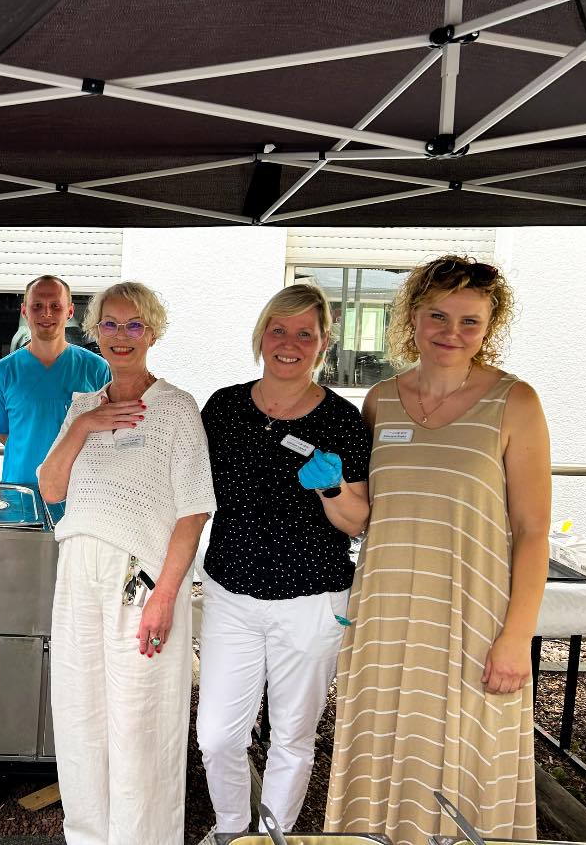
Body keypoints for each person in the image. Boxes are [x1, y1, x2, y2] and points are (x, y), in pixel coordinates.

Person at [326, 256, 551, 845]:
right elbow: (363, 512)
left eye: (470, 320)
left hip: (473, 618)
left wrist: (517, 637)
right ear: (413, 318)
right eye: (438, 316)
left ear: (490, 325)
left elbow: (533, 530)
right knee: (383, 748)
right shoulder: (380, 401)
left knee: (467, 754)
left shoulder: (516, 402)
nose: (452, 332)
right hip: (386, 616)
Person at [38, 281, 215, 845]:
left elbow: (194, 511)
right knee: (80, 714)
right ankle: (88, 835)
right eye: (110, 324)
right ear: (94, 332)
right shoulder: (83, 406)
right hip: (78, 575)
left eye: (134, 324)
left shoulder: (176, 408)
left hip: (140, 582)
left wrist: (167, 595)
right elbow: (50, 487)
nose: (121, 335)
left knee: (141, 721)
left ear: (152, 333)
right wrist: (85, 426)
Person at [195, 284, 371, 834]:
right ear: (261, 336)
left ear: (323, 344)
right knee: (217, 734)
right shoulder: (223, 407)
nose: (289, 343)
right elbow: (191, 490)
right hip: (231, 592)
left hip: (312, 599)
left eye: (304, 334)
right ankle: (230, 829)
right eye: (278, 330)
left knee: (292, 735)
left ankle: (274, 836)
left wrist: (332, 488)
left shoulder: (341, 420)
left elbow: (357, 520)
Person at [0, 275, 110, 497]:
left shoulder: (96, 369)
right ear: (24, 311)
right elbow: (4, 433)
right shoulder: (2, 373)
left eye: (55, 306)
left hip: (78, 495)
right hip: (21, 494)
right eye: (37, 306)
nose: (46, 313)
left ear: (70, 311)